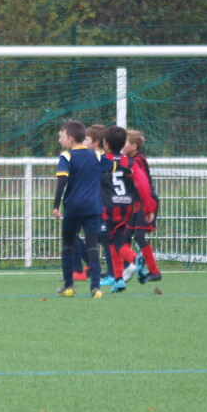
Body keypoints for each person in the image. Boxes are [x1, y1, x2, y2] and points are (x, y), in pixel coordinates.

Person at [52, 120, 107, 298]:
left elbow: (62, 180)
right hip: (93, 207)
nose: (60, 140)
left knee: (68, 245)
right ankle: (96, 287)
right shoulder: (97, 155)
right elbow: (113, 166)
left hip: (73, 208)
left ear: (71, 138)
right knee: (92, 246)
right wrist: (129, 170)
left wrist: (56, 205)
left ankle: (69, 286)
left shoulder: (66, 156)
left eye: (62, 137)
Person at [100, 126, 156, 293]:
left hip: (108, 208)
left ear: (106, 144)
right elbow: (143, 185)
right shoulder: (130, 163)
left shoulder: (101, 161)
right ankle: (118, 280)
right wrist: (148, 208)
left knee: (112, 242)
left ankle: (135, 258)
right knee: (116, 240)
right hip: (127, 207)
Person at [123, 130, 163, 284]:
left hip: (147, 201)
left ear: (133, 146)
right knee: (126, 234)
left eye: (124, 143)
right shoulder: (131, 159)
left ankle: (154, 271)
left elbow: (140, 183)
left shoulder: (138, 160)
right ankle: (126, 267)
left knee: (139, 236)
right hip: (137, 202)